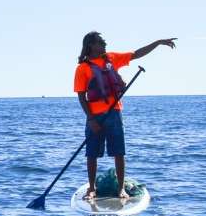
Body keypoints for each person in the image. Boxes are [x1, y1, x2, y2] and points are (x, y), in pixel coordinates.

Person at [74, 32, 176, 200]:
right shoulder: (82, 68)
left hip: (114, 113)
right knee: (92, 153)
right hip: (95, 116)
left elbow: (136, 54)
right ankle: (91, 189)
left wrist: (158, 43)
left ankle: (121, 189)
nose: (105, 44)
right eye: (101, 42)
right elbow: (81, 96)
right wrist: (91, 119)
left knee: (118, 152)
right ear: (91, 45)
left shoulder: (111, 59)